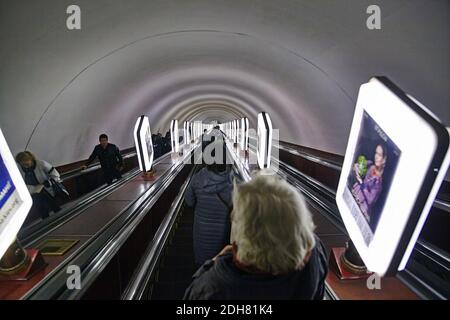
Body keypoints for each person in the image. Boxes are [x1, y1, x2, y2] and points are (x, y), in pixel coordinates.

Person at [184, 172, 328, 300]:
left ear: (236, 252)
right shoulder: (316, 254)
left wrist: (213, 263)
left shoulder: (210, 289)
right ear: (307, 251)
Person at [185, 139, 233, 267]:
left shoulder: (197, 178)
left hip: (201, 230)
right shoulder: (232, 181)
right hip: (222, 231)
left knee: (202, 262)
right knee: (219, 262)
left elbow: (189, 202)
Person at [16, 151, 61, 219]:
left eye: (26, 160)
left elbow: (55, 174)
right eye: (22, 162)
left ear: (31, 158)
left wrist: (50, 182)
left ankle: (60, 219)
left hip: (46, 189)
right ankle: (47, 225)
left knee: (54, 206)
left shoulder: (41, 164)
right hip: (33, 192)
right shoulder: (19, 170)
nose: (25, 163)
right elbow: (20, 183)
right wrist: (31, 189)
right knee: (41, 210)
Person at [351, 143, 387, 223]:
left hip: (362, 213)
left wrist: (360, 182)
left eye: (379, 155)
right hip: (354, 198)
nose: (376, 156)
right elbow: (357, 166)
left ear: (384, 159)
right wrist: (357, 168)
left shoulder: (379, 183)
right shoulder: (370, 164)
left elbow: (369, 200)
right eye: (376, 153)